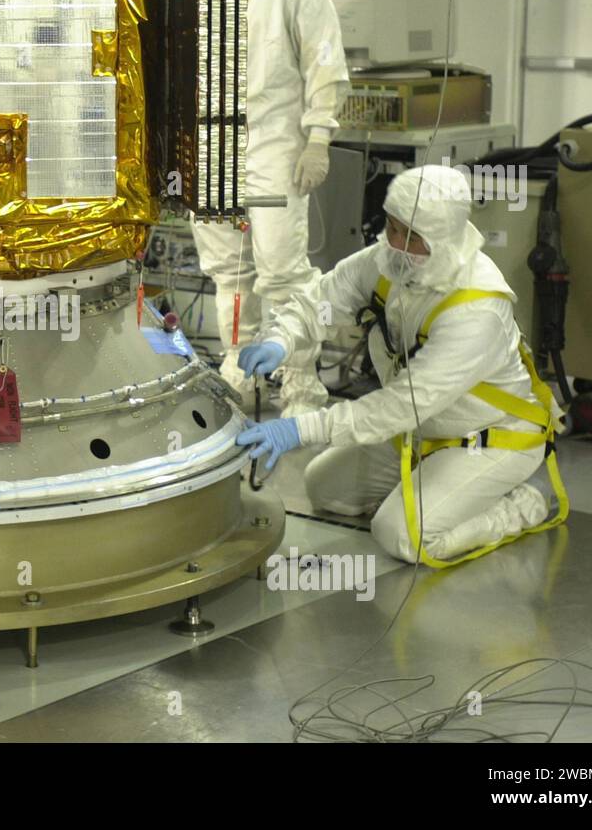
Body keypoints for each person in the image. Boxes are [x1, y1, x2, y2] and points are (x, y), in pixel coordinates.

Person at [233, 165, 567, 566]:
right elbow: (322, 299)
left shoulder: (477, 309)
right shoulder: (392, 262)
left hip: (491, 436)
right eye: (392, 226)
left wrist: (300, 428)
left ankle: (517, 505)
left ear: (443, 239)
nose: (393, 242)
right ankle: (439, 489)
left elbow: (400, 405)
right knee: (324, 488)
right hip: (421, 430)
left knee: (402, 535)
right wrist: (280, 338)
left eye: (410, 236)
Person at [190, 0, 349, 414]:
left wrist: (318, 138)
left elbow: (324, 62)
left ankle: (300, 383)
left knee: (282, 271)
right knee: (228, 272)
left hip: (274, 141)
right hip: (211, 143)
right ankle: (239, 366)